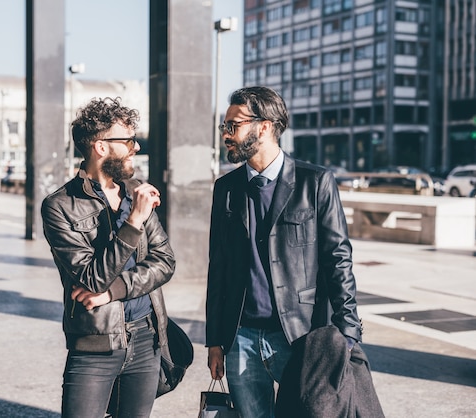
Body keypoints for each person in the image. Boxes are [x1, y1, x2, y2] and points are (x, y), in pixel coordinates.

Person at [205, 86, 362, 418]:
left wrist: (348, 334)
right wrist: (215, 340)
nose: (225, 134)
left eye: (233, 125)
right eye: (224, 126)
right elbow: (217, 268)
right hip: (240, 337)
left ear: (263, 126)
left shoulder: (315, 183)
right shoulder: (226, 189)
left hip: (300, 336)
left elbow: (338, 260)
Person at [41, 97, 175, 418]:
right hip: (94, 343)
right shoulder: (60, 205)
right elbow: (91, 278)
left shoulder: (135, 192)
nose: (135, 148)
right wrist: (133, 223)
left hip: (146, 338)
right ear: (101, 147)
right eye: (127, 141)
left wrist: (114, 292)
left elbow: (164, 261)